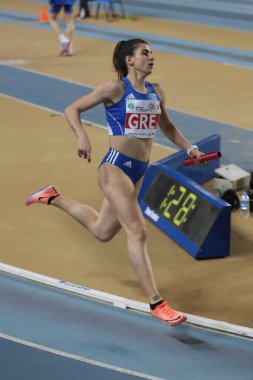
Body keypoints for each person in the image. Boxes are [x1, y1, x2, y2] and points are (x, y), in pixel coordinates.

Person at [25, 39, 202, 325]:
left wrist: (191, 149)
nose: (151, 57)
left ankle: (52, 196)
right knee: (138, 231)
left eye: (151, 52)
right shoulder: (115, 88)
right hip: (115, 168)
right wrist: (81, 136)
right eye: (145, 53)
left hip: (138, 170)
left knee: (102, 231)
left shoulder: (157, 92)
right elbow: (73, 109)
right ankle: (157, 303)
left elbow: (167, 127)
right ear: (129, 60)